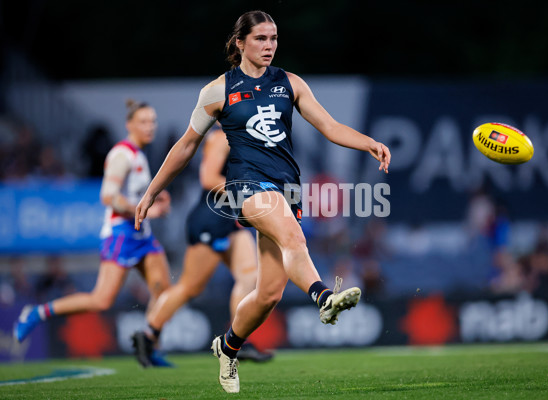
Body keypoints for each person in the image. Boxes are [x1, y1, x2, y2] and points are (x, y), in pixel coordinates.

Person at [135, 10, 391, 393]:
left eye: (273, 39)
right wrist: (152, 190)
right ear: (240, 43)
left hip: (287, 187)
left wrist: (367, 141)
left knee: (268, 293)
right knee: (293, 236)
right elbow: (186, 145)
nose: (269, 46)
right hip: (246, 185)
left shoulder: (289, 82)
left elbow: (329, 126)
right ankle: (324, 296)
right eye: (260, 39)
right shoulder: (218, 91)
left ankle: (228, 346)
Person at [14, 100, 172, 367]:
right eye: (143, 122)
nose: (150, 127)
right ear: (129, 125)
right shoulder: (122, 154)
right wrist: (143, 209)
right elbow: (108, 196)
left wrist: (155, 198)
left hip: (141, 234)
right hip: (121, 233)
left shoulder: (139, 154)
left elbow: (133, 194)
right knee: (101, 300)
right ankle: (38, 312)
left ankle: (149, 346)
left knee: (165, 291)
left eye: (153, 121)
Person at [131, 128, 272, 366]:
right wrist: (246, 194)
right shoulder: (221, 138)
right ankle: (148, 335)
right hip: (210, 219)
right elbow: (208, 178)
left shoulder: (237, 136)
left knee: (249, 276)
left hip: (228, 219)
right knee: (189, 287)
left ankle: (237, 342)